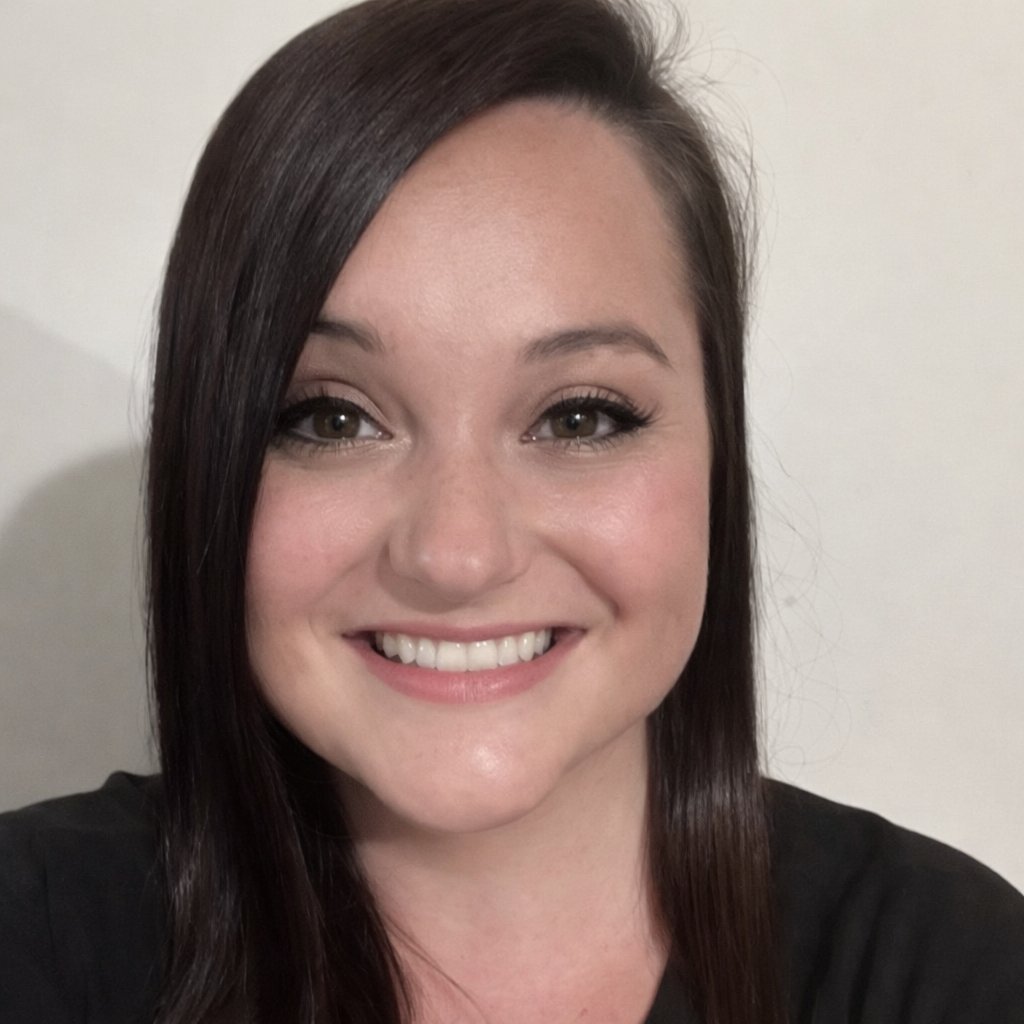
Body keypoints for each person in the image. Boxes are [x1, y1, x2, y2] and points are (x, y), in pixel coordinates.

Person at [1, 1, 1022, 1022]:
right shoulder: (34, 941)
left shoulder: (958, 972)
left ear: (718, 450)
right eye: (332, 418)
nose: (457, 554)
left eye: (579, 416)